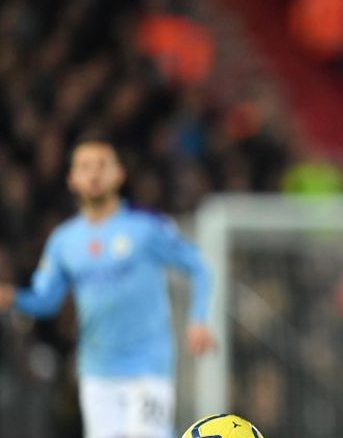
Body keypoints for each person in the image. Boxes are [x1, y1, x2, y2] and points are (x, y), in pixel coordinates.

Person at [0, 137, 215, 438]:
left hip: (147, 366)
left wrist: (198, 319)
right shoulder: (64, 241)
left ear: (119, 175)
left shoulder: (146, 228)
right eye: (86, 167)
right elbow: (46, 300)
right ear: (72, 179)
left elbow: (198, 267)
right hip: (97, 370)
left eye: (102, 165)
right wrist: (13, 297)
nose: (94, 174)